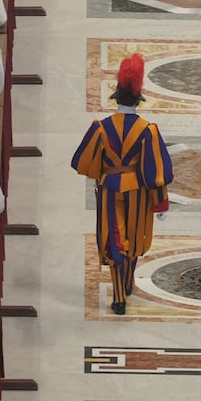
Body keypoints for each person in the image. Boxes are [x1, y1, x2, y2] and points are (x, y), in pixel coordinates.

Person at [71, 53, 174, 314]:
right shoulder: (148, 130)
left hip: (108, 190)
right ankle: (125, 286)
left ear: (116, 98)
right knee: (135, 239)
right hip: (137, 191)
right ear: (138, 99)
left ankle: (119, 295)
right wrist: (161, 202)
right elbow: (155, 170)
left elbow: (82, 162)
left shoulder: (101, 127)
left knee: (115, 241)